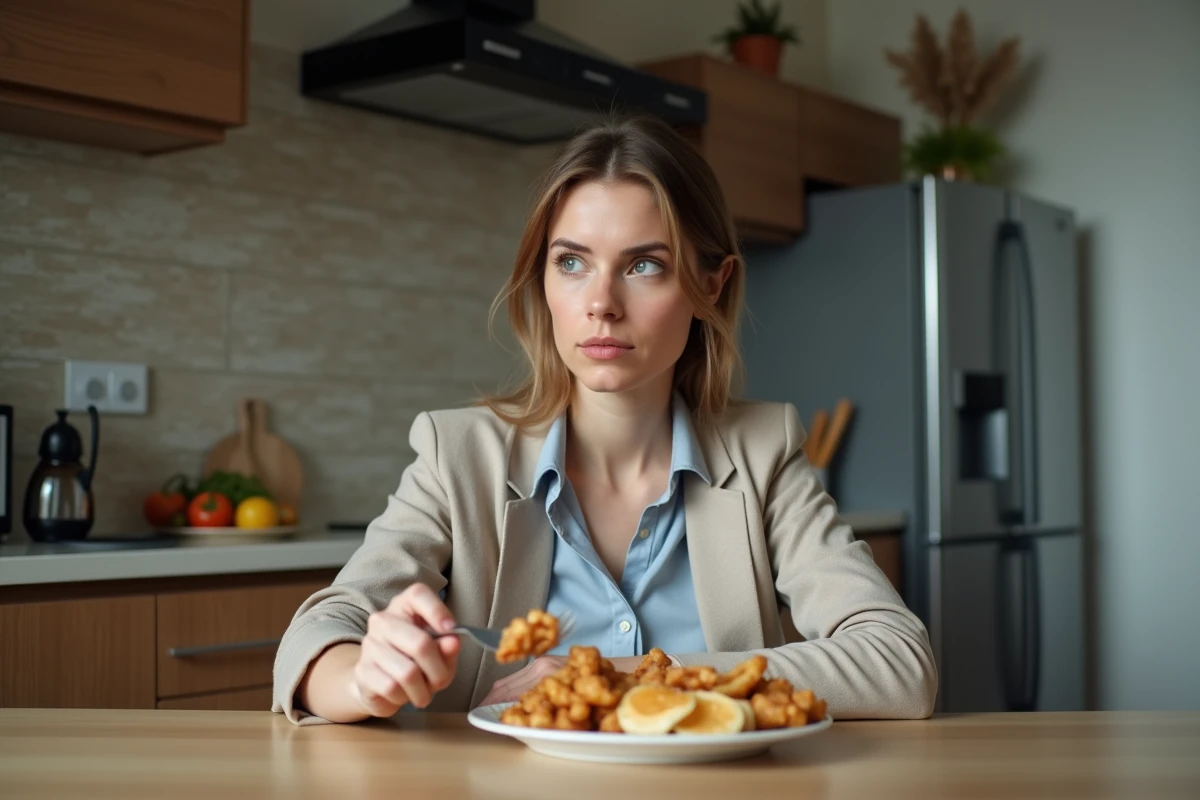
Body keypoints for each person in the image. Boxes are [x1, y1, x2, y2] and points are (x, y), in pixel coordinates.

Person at [273, 115, 938, 726]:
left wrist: (632, 677)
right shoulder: (459, 455)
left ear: (713, 284)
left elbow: (900, 663)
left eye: (645, 265)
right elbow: (318, 636)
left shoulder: (763, 455)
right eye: (571, 263)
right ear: (543, 282)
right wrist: (365, 678)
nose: (600, 303)